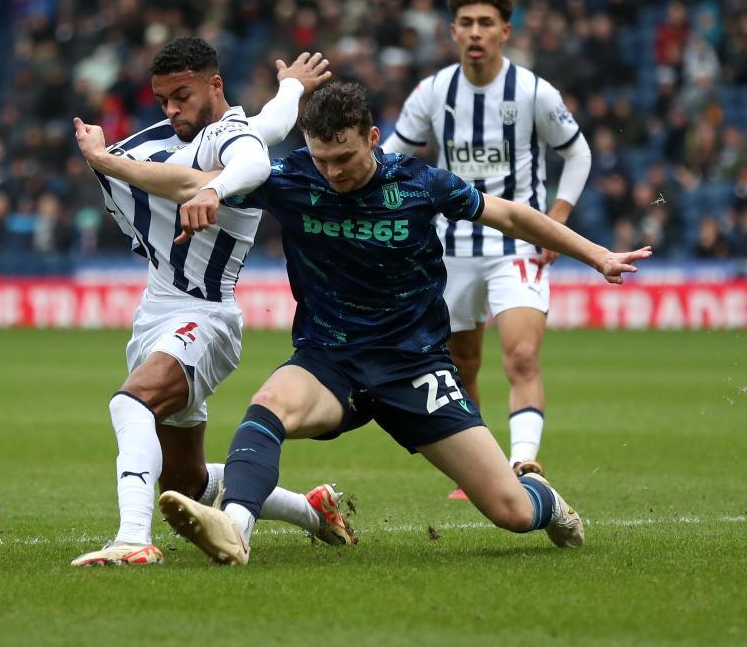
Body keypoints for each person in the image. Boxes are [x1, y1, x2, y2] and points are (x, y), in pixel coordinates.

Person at [127, 81, 649, 565]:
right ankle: (235, 528)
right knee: (267, 408)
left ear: (373, 138)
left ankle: (546, 501)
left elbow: (512, 216)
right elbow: (189, 180)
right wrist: (112, 163)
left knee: (511, 512)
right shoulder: (290, 179)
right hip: (329, 360)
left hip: (414, 366)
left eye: (346, 156)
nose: (333, 171)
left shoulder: (419, 183)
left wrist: (597, 255)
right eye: (322, 157)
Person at [70, 38, 355, 567]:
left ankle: (133, 539)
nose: (173, 109)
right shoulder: (182, 136)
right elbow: (274, 116)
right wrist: (292, 84)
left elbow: (253, 163)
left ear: (214, 84)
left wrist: (213, 192)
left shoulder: (230, 139)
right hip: (154, 311)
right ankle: (315, 511)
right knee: (186, 480)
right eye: (163, 101)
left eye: (182, 95)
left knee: (129, 403)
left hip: (205, 314)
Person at [381, 0, 594, 498]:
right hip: (450, 249)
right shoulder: (434, 92)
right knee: (461, 363)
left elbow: (578, 153)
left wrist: (558, 218)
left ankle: (524, 463)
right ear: (453, 32)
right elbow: (389, 158)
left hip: (516, 247)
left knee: (521, 356)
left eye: (486, 23)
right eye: (467, 24)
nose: (476, 33)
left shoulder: (534, 92)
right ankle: (484, 469)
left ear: (505, 31)